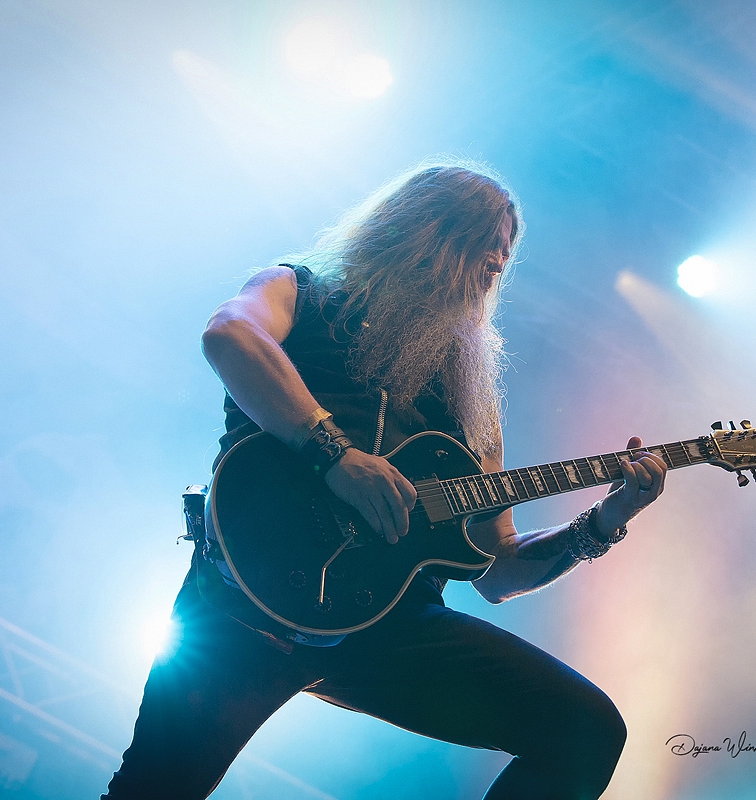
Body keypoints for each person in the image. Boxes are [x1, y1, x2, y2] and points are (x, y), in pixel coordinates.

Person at [104, 163, 668, 799]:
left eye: (504, 257)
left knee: (585, 730)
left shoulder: (474, 402)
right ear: (421, 230)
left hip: (386, 625)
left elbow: (498, 572)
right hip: (245, 597)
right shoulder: (298, 289)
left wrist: (604, 521)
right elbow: (230, 335)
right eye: (482, 244)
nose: (495, 268)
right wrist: (336, 456)